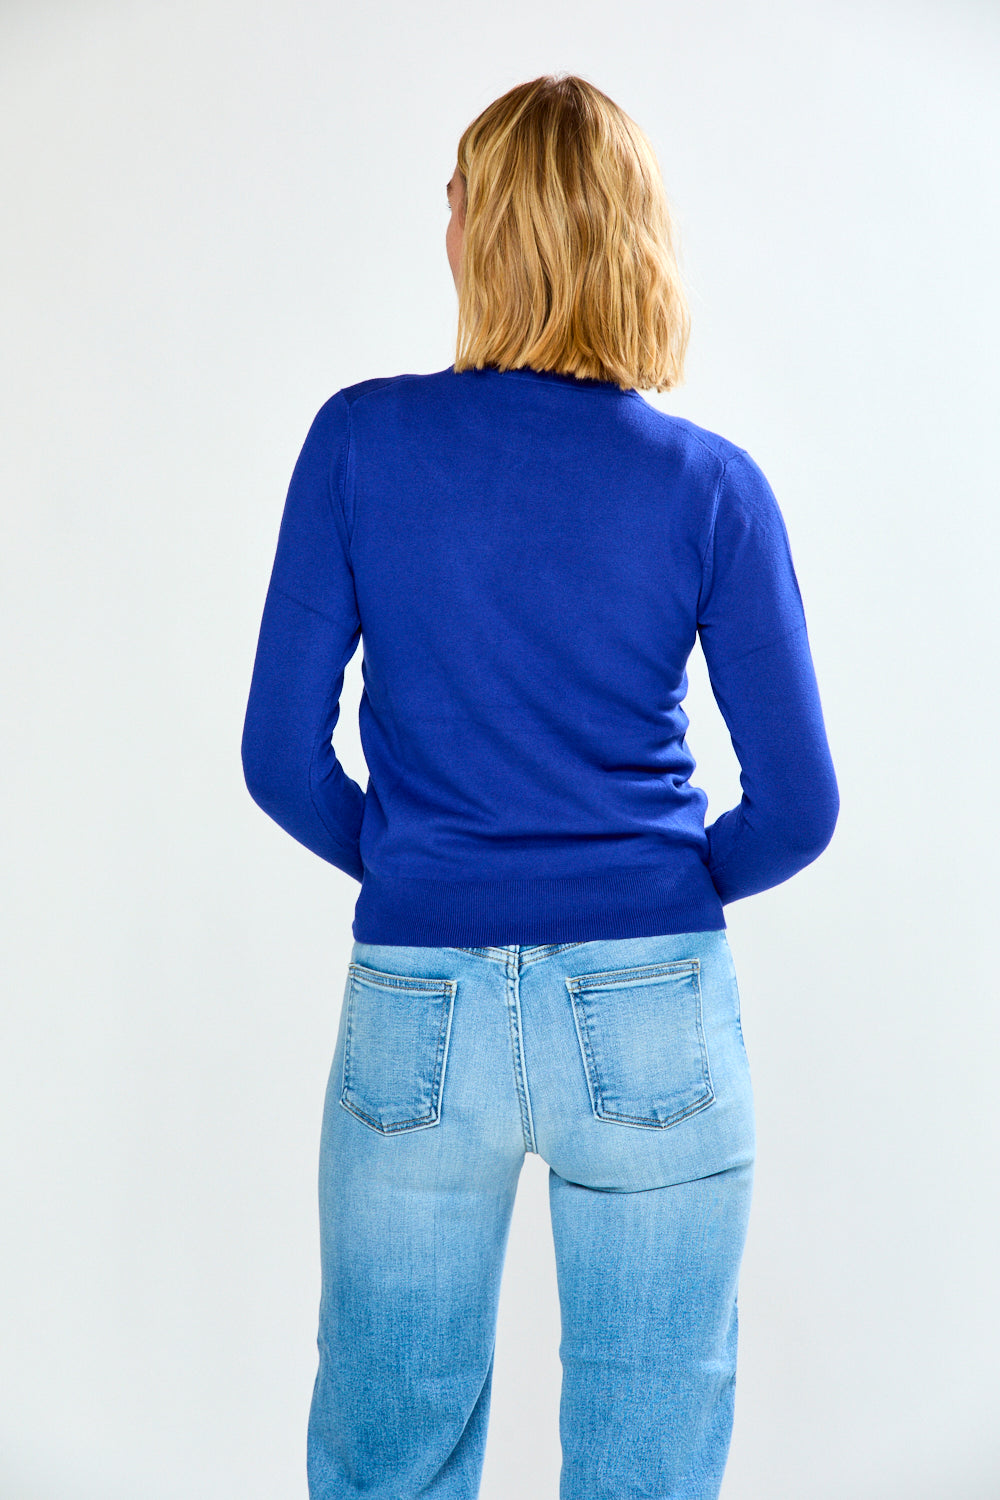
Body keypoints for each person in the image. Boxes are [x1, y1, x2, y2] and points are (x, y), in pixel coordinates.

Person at [241, 72, 839, 1500]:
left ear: (486, 231)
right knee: (647, 1468)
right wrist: (662, 887)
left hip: (418, 1010)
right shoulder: (710, 484)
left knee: (390, 1457)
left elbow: (279, 760)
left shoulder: (359, 443)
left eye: (456, 193)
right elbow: (799, 804)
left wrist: (416, 860)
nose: (439, 219)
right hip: (655, 1009)